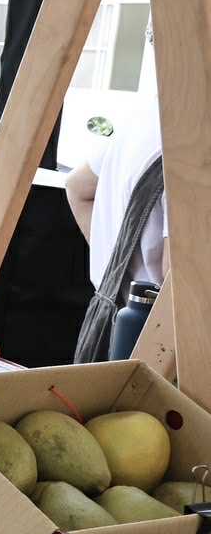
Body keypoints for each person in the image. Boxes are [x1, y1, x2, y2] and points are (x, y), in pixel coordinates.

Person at [65, 105, 168, 361]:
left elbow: (77, 187)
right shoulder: (195, 145)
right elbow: (179, 278)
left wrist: (117, 269)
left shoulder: (143, 116)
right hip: (156, 344)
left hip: (107, 322)